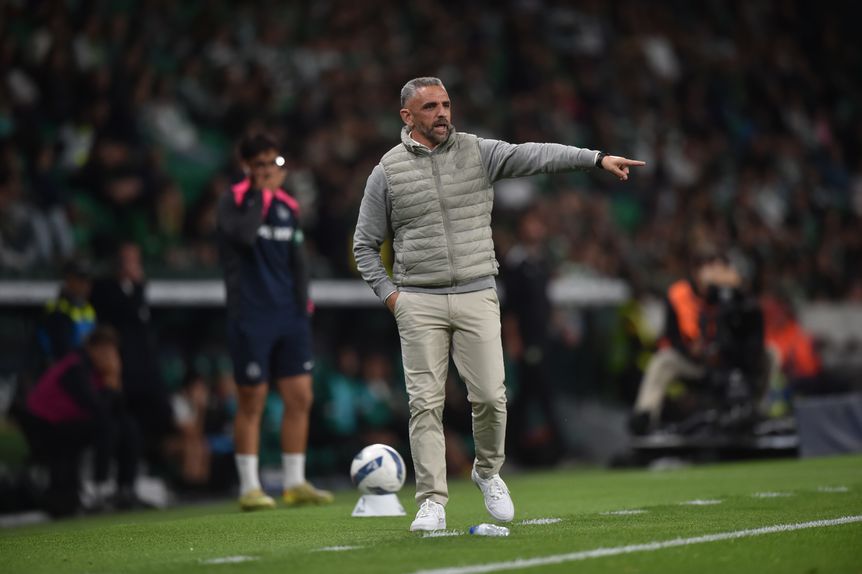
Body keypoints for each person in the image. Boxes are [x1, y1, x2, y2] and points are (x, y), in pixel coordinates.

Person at [353, 77, 644, 531]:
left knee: (491, 396)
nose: (443, 113)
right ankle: (431, 500)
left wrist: (595, 158)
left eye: (447, 103)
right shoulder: (386, 171)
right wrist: (393, 298)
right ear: (407, 117)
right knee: (424, 404)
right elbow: (364, 246)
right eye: (430, 107)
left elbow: (536, 155)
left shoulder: (477, 151)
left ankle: (487, 472)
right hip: (419, 301)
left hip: (476, 291)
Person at [217, 132, 333, 511]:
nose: (270, 170)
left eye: (274, 162)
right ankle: (249, 487)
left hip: (289, 316)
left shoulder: (289, 206)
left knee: (300, 397)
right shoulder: (233, 201)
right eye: (262, 164)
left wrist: (304, 307)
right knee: (252, 399)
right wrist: (262, 195)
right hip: (251, 314)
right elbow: (246, 237)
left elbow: (297, 262)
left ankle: (294, 481)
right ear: (247, 167)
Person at [629, 250, 772, 435]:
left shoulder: (738, 296)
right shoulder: (679, 294)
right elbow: (671, 336)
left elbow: (753, 333)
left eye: (720, 268)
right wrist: (691, 351)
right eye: (709, 268)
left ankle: (757, 409)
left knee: (770, 354)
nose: (714, 274)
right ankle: (645, 416)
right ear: (697, 272)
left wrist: (735, 293)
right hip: (697, 364)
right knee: (663, 360)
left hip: (734, 361)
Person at [20, 326, 143, 515]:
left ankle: (125, 488)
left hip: (65, 423)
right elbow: (97, 410)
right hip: (43, 426)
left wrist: (115, 380)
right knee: (107, 427)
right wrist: (111, 384)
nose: (109, 356)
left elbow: (117, 411)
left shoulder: (98, 372)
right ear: (91, 348)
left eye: (112, 351)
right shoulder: (76, 368)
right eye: (104, 350)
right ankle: (98, 488)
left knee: (128, 426)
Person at [91, 241, 174, 464]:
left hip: (144, 372)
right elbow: (122, 316)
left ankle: (147, 466)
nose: (133, 265)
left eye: (135, 259)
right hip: (120, 372)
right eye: (128, 259)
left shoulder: (140, 291)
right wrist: (137, 287)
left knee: (157, 416)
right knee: (121, 423)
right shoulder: (105, 289)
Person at [501, 206, 564, 465]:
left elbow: (545, 301)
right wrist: (513, 339)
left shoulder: (541, 260)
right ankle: (559, 450)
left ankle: (513, 452)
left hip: (542, 336)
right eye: (531, 224)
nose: (537, 229)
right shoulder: (516, 262)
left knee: (528, 396)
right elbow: (511, 306)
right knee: (538, 394)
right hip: (527, 339)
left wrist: (559, 325)